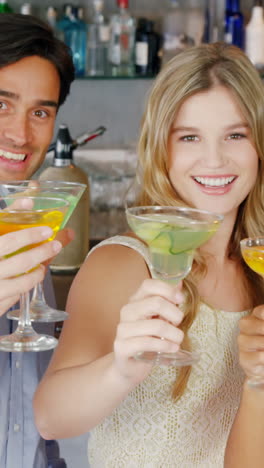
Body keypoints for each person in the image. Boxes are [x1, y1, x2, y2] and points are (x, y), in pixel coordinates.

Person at [34, 41, 264, 467]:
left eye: (235, 135)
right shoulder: (123, 263)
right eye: (190, 137)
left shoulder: (258, 269)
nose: (214, 160)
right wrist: (121, 370)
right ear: (162, 149)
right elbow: (50, 418)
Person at [0, 13, 75, 468]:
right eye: (0, 104)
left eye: (41, 112)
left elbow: (33, 424)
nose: (20, 134)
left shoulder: (31, 221)